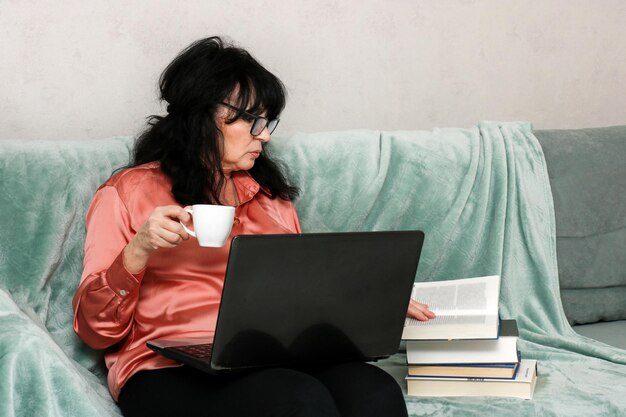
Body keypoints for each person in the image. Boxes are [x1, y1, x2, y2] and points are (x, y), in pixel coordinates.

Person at [73, 36, 435, 417]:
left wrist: (368, 304)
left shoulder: (272, 200)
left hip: (268, 358)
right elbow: (94, 331)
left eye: (267, 121)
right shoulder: (126, 193)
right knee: (294, 397)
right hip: (165, 368)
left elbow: (299, 300)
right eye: (251, 120)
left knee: (374, 390)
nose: (265, 135)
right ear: (201, 116)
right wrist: (137, 252)